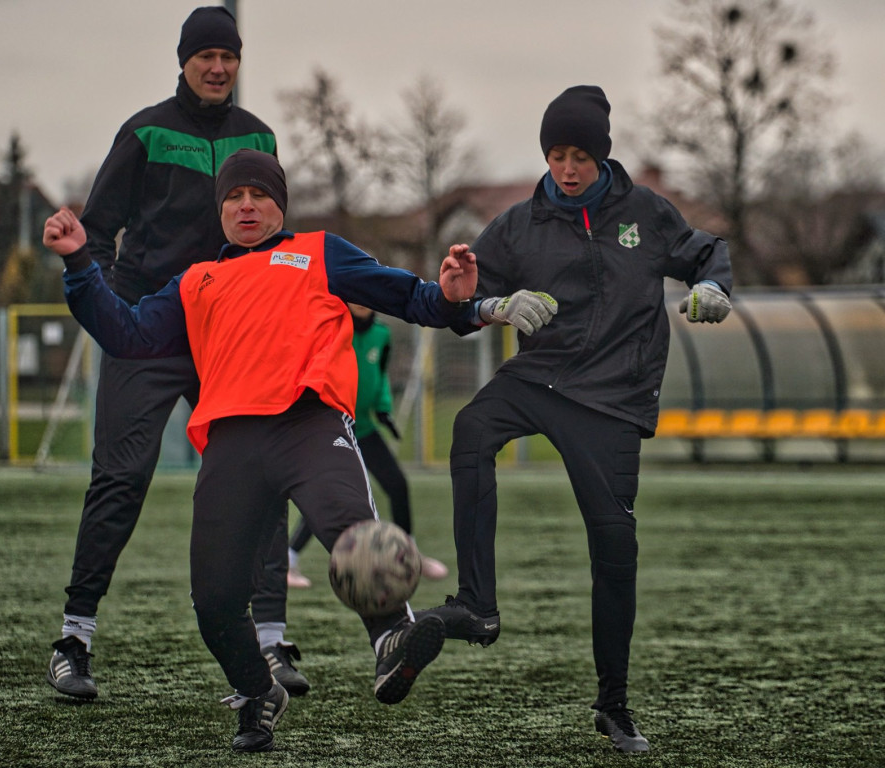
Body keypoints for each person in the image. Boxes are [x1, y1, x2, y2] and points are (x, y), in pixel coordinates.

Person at [43, 148, 556, 752]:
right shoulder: (197, 280)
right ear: (221, 211)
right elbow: (126, 334)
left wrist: (450, 296)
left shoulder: (319, 251)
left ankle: (393, 638)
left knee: (355, 534)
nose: (246, 205)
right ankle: (258, 691)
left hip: (308, 424)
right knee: (214, 602)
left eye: (259, 194)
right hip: (230, 442)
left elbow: (413, 299)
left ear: (279, 204)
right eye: (234, 197)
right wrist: (79, 261)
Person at [418, 85, 733, 754]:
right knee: (471, 430)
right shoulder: (517, 224)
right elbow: (464, 304)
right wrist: (489, 300)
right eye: (556, 154)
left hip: (614, 397)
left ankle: (614, 704)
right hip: (540, 377)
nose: (566, 169)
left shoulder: (646, 213)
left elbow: (706, 253)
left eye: (580, 156)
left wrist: (712, 285)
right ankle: (476, 604)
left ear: (602, 157)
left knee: (614, 548)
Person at [45, 6, 310, 703]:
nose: (217, 67)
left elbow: (273, 231)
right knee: (122, 476)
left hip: (229, 334)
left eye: (228, 55)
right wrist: (110, 308)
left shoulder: (259, 135)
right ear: (184, 61)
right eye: (205, 56)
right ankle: (74, 640)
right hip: (151, 327)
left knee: (261, 474)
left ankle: (272, 645)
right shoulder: (145, 131)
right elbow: (96, 233)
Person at [286, 304, 449, 589]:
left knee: (397, 485)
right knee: (326, 495)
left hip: (364, 428)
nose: (360, 300)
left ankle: (407, 554)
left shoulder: (381, 334)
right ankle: (289, 560)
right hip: (333, 428)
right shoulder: (332, 328)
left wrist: (384, 409)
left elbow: (381, 375)